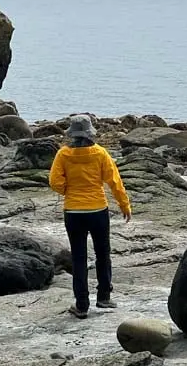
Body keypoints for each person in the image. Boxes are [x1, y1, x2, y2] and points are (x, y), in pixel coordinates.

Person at [49, 114, 132, 319]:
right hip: (98, 210)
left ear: (72, 134)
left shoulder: (63, 154)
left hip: (74, 211)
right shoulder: (100, 153)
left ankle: (81, 306)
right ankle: (104, 297)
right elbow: (114, 181)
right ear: (90, 133)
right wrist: (124, 204)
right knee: (103, 253)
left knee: (78, 258)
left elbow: (54, 181)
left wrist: (68, 190)